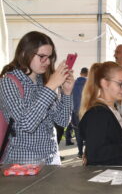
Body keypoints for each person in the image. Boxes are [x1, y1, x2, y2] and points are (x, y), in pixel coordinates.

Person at [0, 31, 74, 165]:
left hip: (51, 157)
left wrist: (67, 93)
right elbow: (27, 124)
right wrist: (51, 86)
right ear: (24, 53)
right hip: (22, 161)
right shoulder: (8, 82)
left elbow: (62, 121)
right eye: (41, 56)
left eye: (50, 57)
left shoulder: (44, 82)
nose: (47, 62)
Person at [79, 62, 122, 166]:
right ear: (105, 83)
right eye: (120, 84)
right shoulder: (98, 114)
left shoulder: (112, 109)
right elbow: (96, 154)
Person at [65, 67, 88, 158]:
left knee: (78, 132)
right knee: (87, 132)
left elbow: (70, 98)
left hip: (75, 112)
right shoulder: (88, 84)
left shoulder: (74, 83)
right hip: (86, 111)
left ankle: (80, 152)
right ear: (87, 73)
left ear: (81, 73)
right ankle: (87, 153)